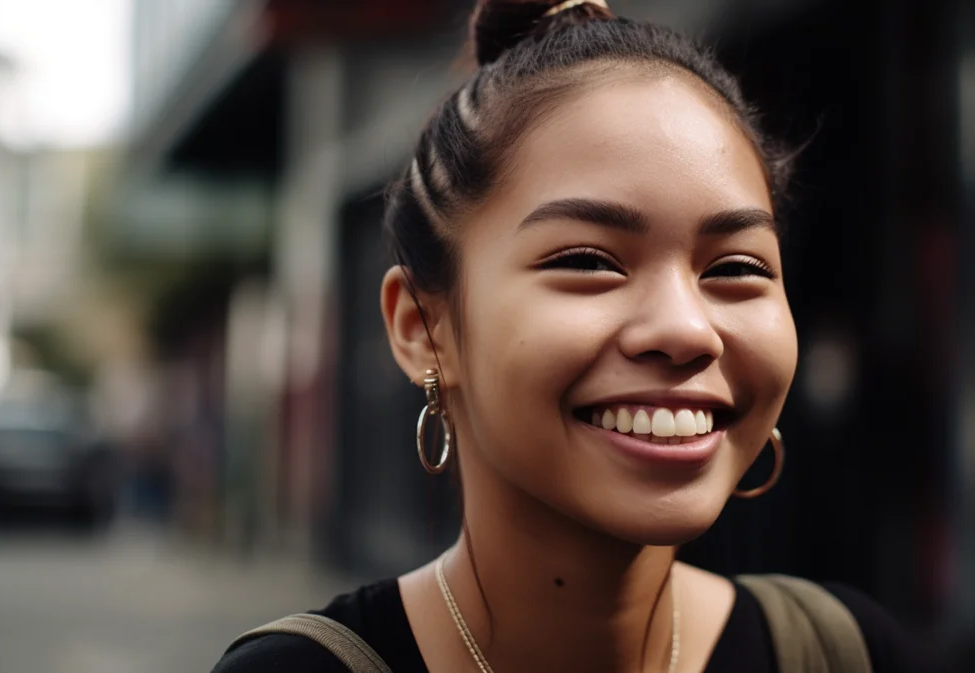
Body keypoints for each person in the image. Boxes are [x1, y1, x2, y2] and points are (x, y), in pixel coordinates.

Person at [213, 0, 932, 671]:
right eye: (588, 261)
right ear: (422, 326)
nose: (686, 330)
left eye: (736, 268)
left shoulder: (844, 652)